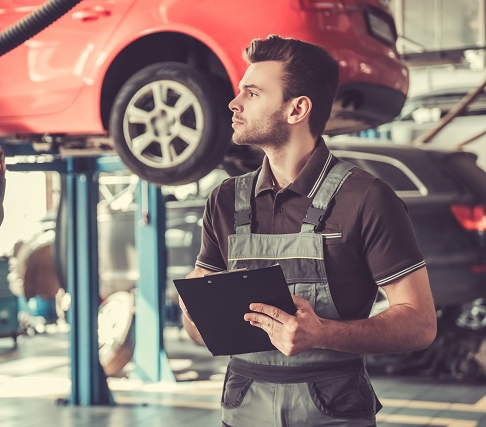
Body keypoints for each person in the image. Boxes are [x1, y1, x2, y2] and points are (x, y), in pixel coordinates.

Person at [178, 35, 437, 427]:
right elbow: (200, 335)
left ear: (296, 109)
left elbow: (420, 324)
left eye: (251, 93)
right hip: (244, 409)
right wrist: (193, 312)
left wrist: (322, 334)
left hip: (332, 412)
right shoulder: (225, 201)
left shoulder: (366, 198)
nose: (234, 104)